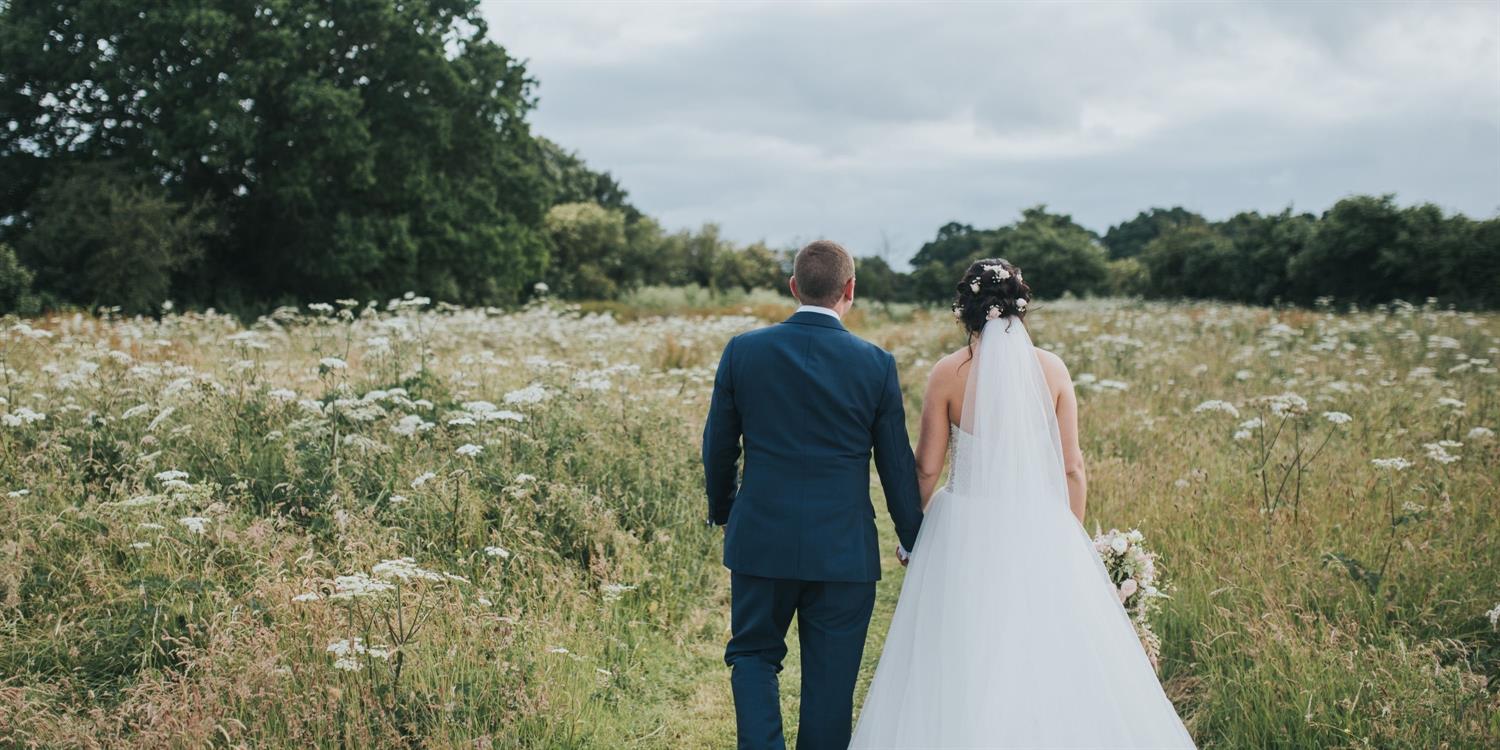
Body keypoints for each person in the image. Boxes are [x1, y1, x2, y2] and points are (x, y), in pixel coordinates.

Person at [848, 258, 1196, 748]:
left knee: (961, 647)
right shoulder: (1052, 370)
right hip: (1040, 525)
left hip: (963, 525)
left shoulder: (947, 373)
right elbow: (1073, 466)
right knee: (1047, 650)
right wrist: (1069, 535)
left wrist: (915, 534)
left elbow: (926, 467)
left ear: (964, 311)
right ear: (1021, 305)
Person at [702, 239, 924, 750]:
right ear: (850, 289)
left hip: (761, 539)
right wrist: (914, 538)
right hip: (843, 551)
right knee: (831, 680)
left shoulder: (743, 350)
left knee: (753, 655)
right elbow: (894, 463)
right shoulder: (876, 364)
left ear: (793, 287)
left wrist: (726, 510)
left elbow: (718, 444)